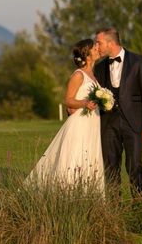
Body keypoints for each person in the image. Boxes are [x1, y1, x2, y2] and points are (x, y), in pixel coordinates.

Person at [26, 39, 104, 192]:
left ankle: (88, 193)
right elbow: (68, 100)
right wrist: (84, 103)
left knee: (90, 156)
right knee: (76, 155)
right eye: (94, 48)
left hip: (93, 123)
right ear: (87, 55)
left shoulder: (94, 75)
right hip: (80, 123)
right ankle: (67, 193)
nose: (97, 49)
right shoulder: (78, 75)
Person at [93, 27, 142, 197]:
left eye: (99, 43)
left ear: (111, 42)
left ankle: (138, 203)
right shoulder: (99, 67)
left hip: (133, 123)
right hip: (108, 124)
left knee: (134, 165)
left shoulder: (138, 62)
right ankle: (115, 209)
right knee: (110, 166)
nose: (96, 46)